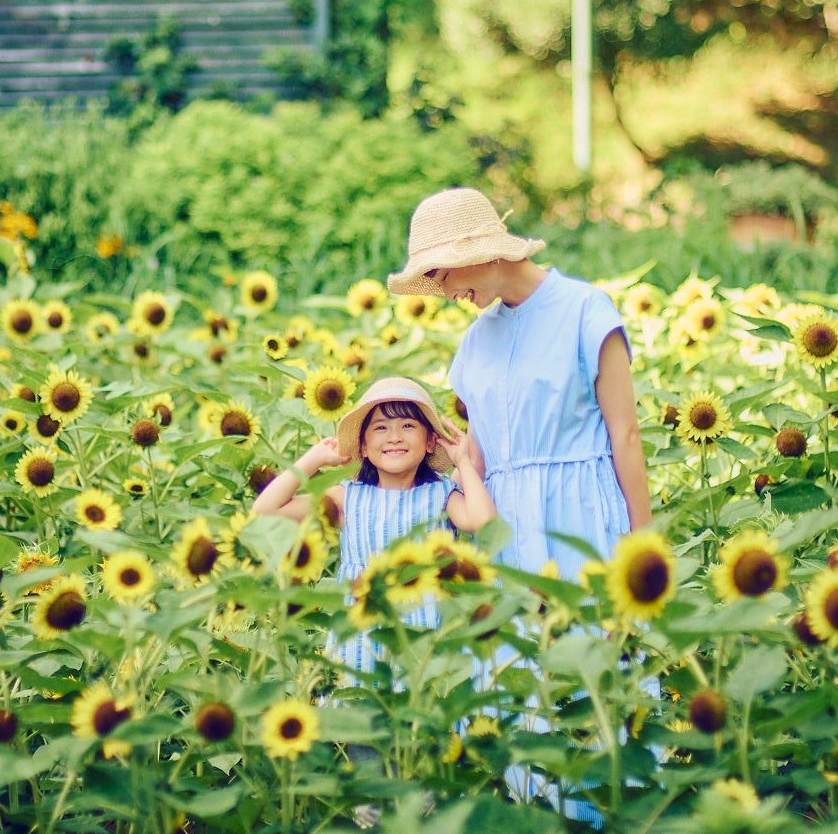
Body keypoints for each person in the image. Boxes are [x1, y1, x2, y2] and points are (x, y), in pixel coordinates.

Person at [386, 187, 652, 575]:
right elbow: (476, 457)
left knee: (590, 631)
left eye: (442, 275)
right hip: (504, 533)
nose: (445, 294)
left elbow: (625, 434)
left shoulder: (584, 310)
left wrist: (645, 546)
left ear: (482, 253)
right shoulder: (477, 340)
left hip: (581, 519)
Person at [252, 376, 495, 671]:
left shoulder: (441, 494)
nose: (394, 436)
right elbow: (265, 511)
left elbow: (484, 524)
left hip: (426, 641)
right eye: (381, 427)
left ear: (431, 441)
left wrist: (464, 462)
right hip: (360, 640)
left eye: (408, 425)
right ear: (364, 447)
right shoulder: (346, 498)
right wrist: (312, 459)